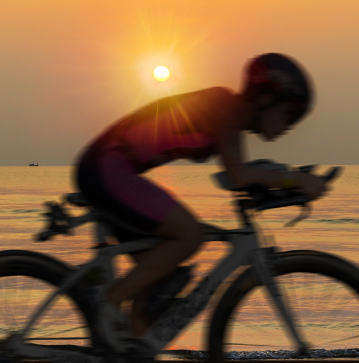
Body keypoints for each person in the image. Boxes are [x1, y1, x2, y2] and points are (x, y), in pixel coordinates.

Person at [72, 53, 329, 351]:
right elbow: (238, 175)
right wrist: (295, 180)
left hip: (111, 168)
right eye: (290, 114)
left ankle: (132, 350)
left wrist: (281, 182)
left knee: (156, 288)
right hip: (108, 166)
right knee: (189, 235)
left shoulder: (231, 117)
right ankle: (105, 301)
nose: (291, 125)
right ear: (266, 98)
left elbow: (237, 175)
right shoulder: (227, 108)